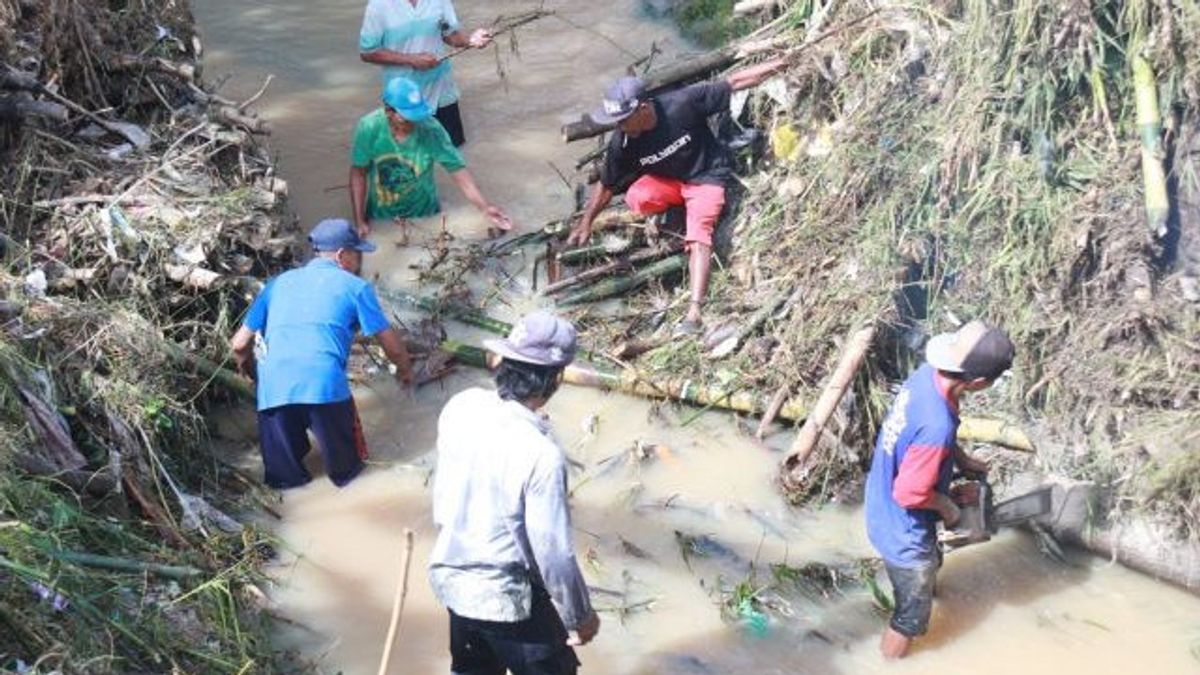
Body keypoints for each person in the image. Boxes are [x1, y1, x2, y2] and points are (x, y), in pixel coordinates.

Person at [429, 312, 600, 674]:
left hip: (452, 578)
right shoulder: (541, 455)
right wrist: (579, 616)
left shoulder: (461, 407)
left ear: (502, 362)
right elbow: (553, 553)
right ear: (554, 380)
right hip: (504, 596)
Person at [566, 58, 787, 334]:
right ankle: (681, 208)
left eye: (623, 119)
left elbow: (735, 82)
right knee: (636, 196)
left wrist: (784, 63)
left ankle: (695, 310)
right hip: (672, 182)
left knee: (698, 235)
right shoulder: (622, 141)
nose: (620, 126)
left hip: (706, 176)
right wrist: (586, 221)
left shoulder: (681, 104)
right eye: (616, 122)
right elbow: (608, 184)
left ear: (643, 108)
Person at [863, 320, 1016, 659]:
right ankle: (890, 662)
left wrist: (961, 460)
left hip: (881, 504)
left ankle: (925, 588)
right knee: (909, 619)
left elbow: (924, 436)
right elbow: (910, 494)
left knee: (927, 572)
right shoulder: (937, 424)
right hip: (903, 532)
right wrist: (949, 508)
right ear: (978, 383)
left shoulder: (927, 377)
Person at [229, 218, 415, 489]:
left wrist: (254, 376)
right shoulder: (356, 287)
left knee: (285, 484)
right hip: (324, 387)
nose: (359, 262)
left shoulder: (276, 284)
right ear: (342, 255)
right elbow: (392, 347)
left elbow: (238, 344)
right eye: (357, 254)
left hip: (274, 390)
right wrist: (406, 371)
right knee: (350, 477)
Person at [349, 77, 511, 242]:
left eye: (416, 117)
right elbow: (358, 174)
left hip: (426, 214)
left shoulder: (431, 128)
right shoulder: (369, 127)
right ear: (388, 111)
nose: (413, 123)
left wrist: (484, 207)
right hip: (381, 216)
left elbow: (458, 171)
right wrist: (359, 221)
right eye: (406, 118)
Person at [358, 0, 492, 147]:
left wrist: (471, 40)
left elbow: (450, 35)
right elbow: (368, 52)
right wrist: (411, 60)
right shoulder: (378, 6)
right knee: (406, 160)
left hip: (442, 94)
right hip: (403, 99)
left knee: (453, 154)